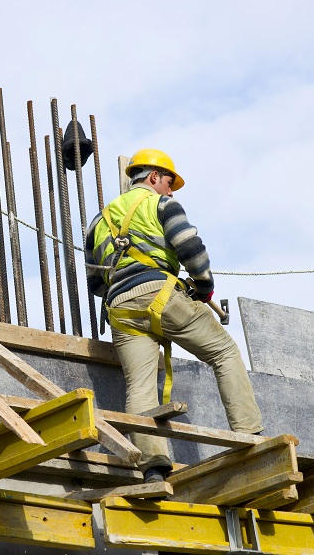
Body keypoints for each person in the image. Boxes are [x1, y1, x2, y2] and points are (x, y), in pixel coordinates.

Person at [84, 149, 263, 483]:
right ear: (153, 177)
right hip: (162, 296)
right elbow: (190, 247)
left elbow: (95, 283)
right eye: (169, 182)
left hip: (120, 309)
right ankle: (250, 435)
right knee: (224, 352)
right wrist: (205, 287)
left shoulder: (98, 221)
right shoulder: (161, 205)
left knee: (139, 387)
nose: (171, 190)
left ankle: (153, 467)